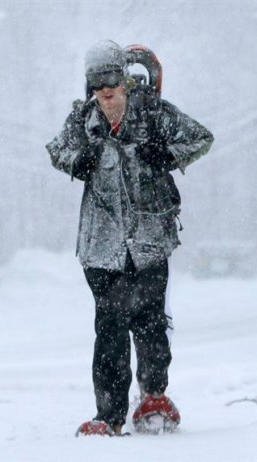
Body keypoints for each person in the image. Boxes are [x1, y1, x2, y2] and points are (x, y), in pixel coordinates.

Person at [46, 40, 213, 436]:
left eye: (112, 80)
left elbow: (201, 138)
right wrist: (77, 161)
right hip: (101, 246)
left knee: (151, 321)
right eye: (96, 82)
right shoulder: (82, 123)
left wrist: (167, 154)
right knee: (110, 328)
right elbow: (56, 152)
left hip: (151, 239)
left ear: (125, 81)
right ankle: (109, 415)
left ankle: (154, 394)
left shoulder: (154, 114)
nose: (105, 90)